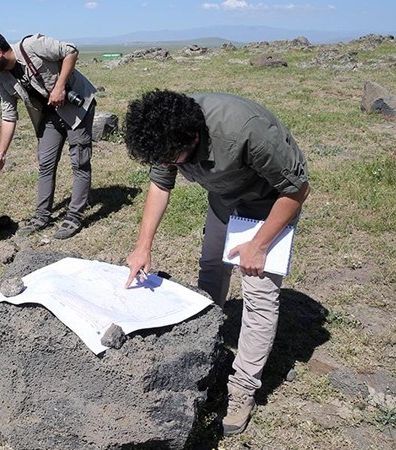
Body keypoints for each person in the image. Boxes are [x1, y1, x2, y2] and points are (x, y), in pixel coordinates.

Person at [123, 90, 310, 436]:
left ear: (193, 138)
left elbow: (297, 189)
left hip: (271, 202)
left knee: (259, 296)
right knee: (211, 267)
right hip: (225, 198)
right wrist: (143, 246)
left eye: (174, 160)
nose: (170, 166)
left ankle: (242, 389)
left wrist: (259, 244)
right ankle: (207, 344)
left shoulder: (245, 130)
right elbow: (159, 186)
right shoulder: (164, 134)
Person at [0, 30, 97, 239]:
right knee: (46, 163)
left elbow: (70, 51)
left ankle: (74, 216)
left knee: (79, 161)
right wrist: (1, 155)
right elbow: (8, 116)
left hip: (77, 107)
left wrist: (59, 87)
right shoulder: (3, 79)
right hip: (50, 114)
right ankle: (42, 216)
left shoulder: (31, 46)